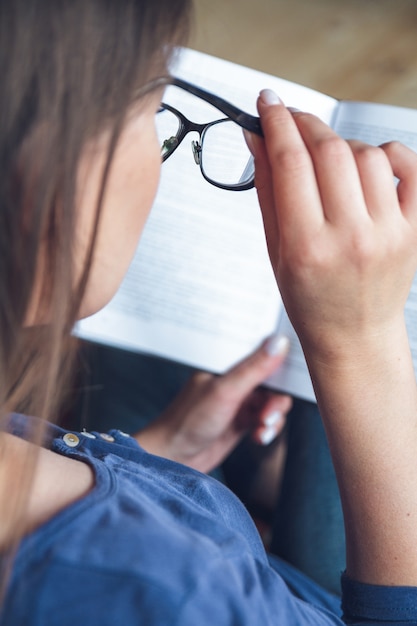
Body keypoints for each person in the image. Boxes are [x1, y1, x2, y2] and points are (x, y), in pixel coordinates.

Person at [1, 1, 417, 624]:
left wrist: (162, 454)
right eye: (149, 110)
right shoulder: (176, 593)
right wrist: (359, 344)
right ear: (39, 193)